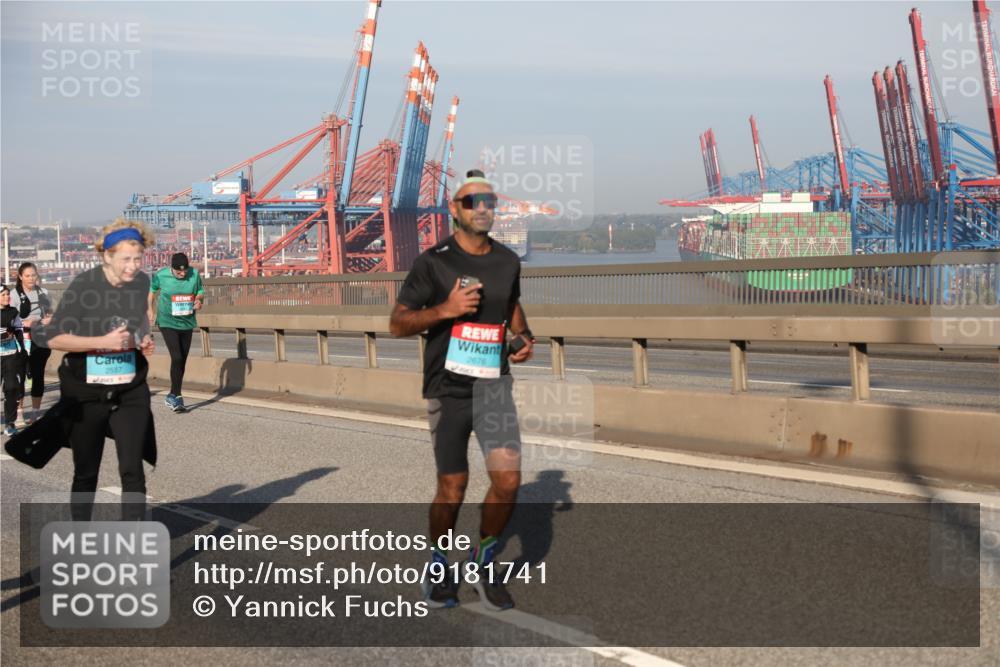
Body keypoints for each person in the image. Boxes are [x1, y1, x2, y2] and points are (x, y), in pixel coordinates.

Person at [389, 170, 534, 611]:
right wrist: (445, 309)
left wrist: (524, 337)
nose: (484, 208)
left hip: (494, 388)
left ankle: (483, 558)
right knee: (453, 487)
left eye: (489, 200)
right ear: (454, 210)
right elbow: (397, 323)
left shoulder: (508, 261)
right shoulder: (433, 263)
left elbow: (511, 306)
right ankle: (438, 566)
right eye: (473, 202)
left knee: (508, 482)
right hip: (448, 390)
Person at [33, 218, 157, 521]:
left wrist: (142, 338)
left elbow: (137, 321)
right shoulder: (84, 286)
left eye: (138, 257)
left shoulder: (141, 282)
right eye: (126, 258)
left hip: (129, 388)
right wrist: (102, 341)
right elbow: (55, 337)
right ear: (107, 255)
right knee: (87, 471)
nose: (133, 265)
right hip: (86, 389)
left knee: (132, 468)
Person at [147, 252, 204, 413]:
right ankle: (177, 396)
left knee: (182, 360)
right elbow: (152, 292)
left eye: (185, 270)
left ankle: (172, 394)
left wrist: (199, 300)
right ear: (172, 268)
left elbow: (200, 290)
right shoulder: (161, 275)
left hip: (187, 322)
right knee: (177, 356)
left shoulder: (194, 274)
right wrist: (150, 310)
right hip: (167, 321)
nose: (182, 274)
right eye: (179, 271)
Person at [12, 262, 54, 425]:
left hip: (41, 338)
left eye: (33, 275)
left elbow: (51, 313)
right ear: (21, 277)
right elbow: (7, 318)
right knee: (19, 376)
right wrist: (25, 323)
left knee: (38, 375)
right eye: (27, 275)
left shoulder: (44, 292)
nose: (31, 278)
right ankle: (20, 412)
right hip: (21, 339)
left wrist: (50, 319)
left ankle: (36, 413)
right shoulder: (14, 295)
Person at [1, 286, 28, 437]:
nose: (7, 297)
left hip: (11, 355)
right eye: (3, 295)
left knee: (12, 388)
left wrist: (22, 350)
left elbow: (18, 330)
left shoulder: (13, 312)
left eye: (7, 294)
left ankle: (10, 423)